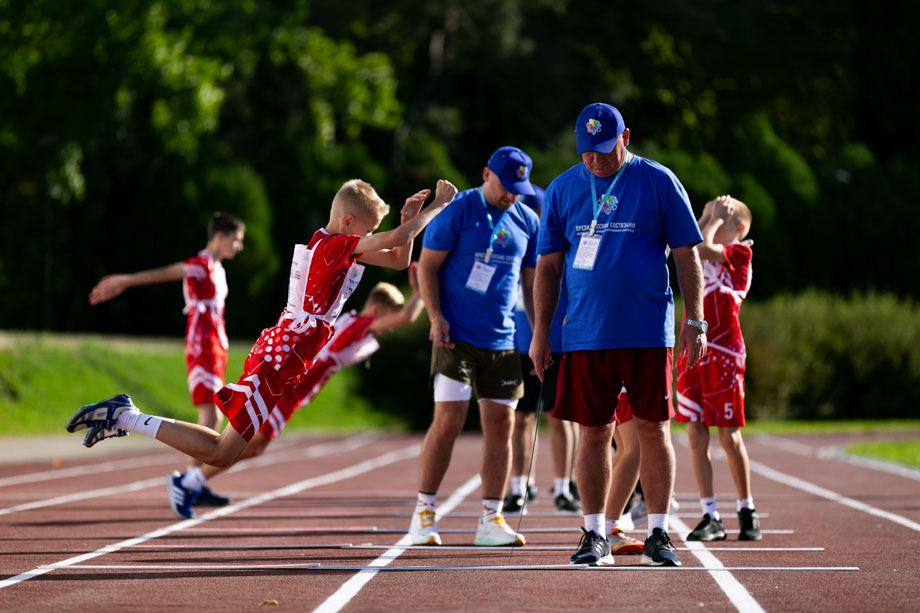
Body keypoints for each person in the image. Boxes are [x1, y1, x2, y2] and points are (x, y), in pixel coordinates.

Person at [66, 179, 458, 494]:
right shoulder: (334, 246)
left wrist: (410, 220)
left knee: (227, 451)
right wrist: (436, 207)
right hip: (282, 355)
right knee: (222, 453)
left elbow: (397, 258)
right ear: (349, 223)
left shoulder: (337, 245)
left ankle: (129, 418)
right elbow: (392, 241)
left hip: (287, 357)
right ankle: (127, 417)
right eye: (368, 229)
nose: (371, 236)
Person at [530, 102, 707, 567]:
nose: (597, 160)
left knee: (653, 428)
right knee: (593, 433)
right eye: (588, 153)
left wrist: (696, 320)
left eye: (606, 150)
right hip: (586, 333)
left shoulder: (658, 180)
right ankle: (594, 533)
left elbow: (688, 254)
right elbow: (547, 267)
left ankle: (657, 533)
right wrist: (540, 333)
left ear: (626, 135)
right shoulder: (564, 189)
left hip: (648, 329)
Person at [158, 265, 427, 517]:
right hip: (291, 386)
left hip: (296, 389)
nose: (389, 329)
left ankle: (192, 481)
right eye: (388, 322)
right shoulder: (360, 325)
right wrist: (423, 289)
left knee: (252, 445)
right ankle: (189, 481)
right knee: (246, 442)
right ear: (379, 310)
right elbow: (406, 318)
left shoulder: (355, 323)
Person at [409, 146, 540, 547]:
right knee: (448, 421)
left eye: (519, 187)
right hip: (455, 335)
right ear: (487, 174)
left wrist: (539, 335)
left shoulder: (529, 221)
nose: (511, 194)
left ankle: (491, 518)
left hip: (502, 340)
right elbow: (428, 266)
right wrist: (435, 317)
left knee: (500, 428)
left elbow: (531, 285)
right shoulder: (458, 210)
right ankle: (424, 513)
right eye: (506, 185)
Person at [88, 212, 246, 509]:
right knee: (210, 418)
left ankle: (193, 480)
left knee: (217, 418)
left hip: (216, 348)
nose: (238, 247)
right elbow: (165, 273)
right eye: (236, 240)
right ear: (220, 236)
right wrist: (126, 281)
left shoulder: (218, 269)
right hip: (203, 347)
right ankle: (188, 484)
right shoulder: (200, 265)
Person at [676, 194, 761, 541]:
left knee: (728, 435)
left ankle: (746, 507)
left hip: (724, 351)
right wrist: (707, 215)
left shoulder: (740, 253)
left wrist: (711, 220)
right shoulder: (703, 235)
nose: (710, 220)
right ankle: (710, 514)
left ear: (738, 229)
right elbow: (687, 242)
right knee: (695, 432)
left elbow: (700, 248)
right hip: (694, 349)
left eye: (720, 217)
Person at [504, 186, 581, 516]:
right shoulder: (516, 247)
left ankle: (564, 486)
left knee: (560, 418)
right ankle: (520, 486)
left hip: (559, 344)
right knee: (520, 418)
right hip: (520, 343)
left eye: (535, 211)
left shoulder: (559, 248)